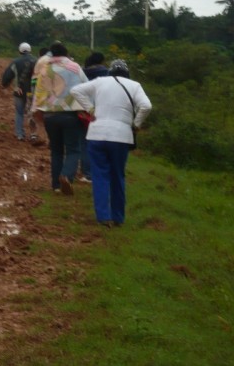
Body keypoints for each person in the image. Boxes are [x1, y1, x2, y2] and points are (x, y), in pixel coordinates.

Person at [70, 59, 152, 227]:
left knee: (100, 176)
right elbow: (146, 106)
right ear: (126, 73)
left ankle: (103, 217)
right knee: (118, 176)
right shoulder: (134, 85)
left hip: (96, 134)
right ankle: (118, 218)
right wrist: (135, 125)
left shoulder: (100, 82)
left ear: (110, 72)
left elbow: (76, 90)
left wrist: (90, 109)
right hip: (121, 137)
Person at [30, 41, 88, 195]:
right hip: (70, 114)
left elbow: (38, 92)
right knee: (73, 150)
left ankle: (56, 185)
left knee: (56, 151)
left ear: (52, 54)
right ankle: (67, 176)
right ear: (66, 54)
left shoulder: (45, 69)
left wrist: (36, 112)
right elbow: (87, 87)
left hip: (50, 115)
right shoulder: (75, 68)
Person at [78, 52, 110, 182]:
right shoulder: (107, 73)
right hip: (103, 110)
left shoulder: (82, 72)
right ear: (102, 61)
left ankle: (87, 173)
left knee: (84, 142)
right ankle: (101, 170)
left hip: (84, 110)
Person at [1, 42, 36, 141]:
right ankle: (33, 134)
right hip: (32, 92)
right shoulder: (36, 61)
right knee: (31, 113)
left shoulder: (15, 62)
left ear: (20, 51)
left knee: (19, 112)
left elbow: (7, 76)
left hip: (19, 91)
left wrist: (5, 84)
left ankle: (20, 134)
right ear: (30, 50)